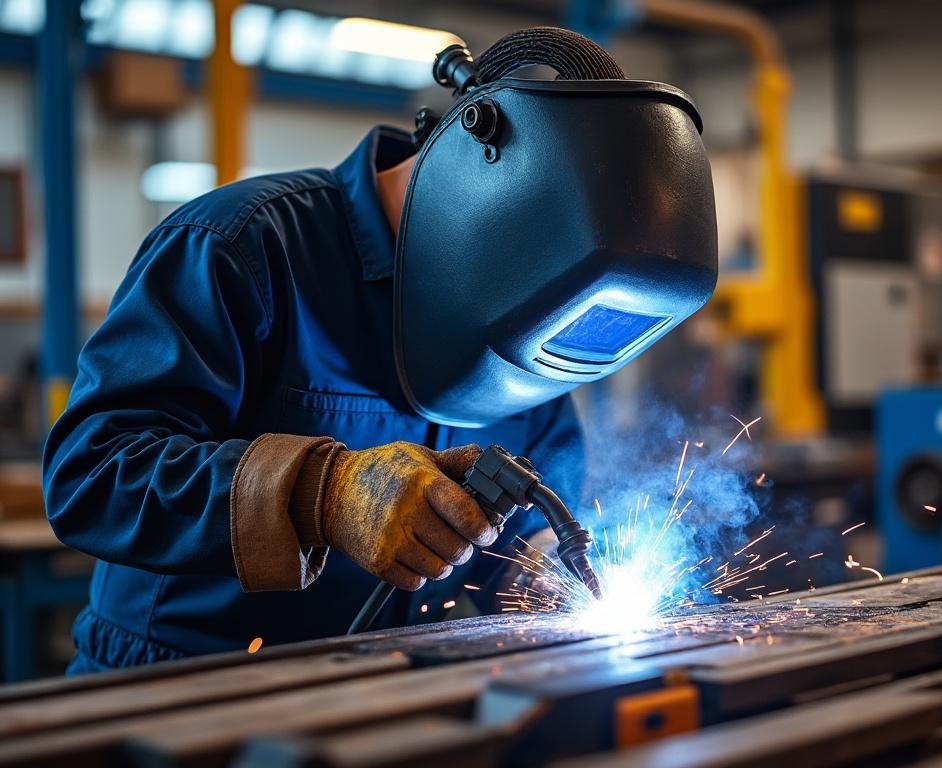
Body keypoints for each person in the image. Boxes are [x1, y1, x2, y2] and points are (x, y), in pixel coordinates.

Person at [42, 27, 716, 673]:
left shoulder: (539, 312)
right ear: (486, 191)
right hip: (184, 685)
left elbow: (522, 523)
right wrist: (325, 492)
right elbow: (90, 475)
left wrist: (538, 569)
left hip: (385, 691)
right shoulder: (242, 247)